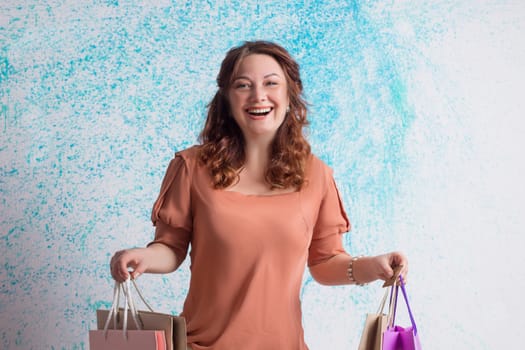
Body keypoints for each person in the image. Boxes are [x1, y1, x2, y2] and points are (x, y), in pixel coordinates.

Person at [110, 40, 408, 350]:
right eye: (243, 85)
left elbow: (324, 262)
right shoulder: (190, 168)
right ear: (226, 98)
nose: (258, 96)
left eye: (271, 83)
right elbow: (171, 248)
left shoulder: (317, 175)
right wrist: (143, 257)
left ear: (290, 95)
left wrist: (373, 266)